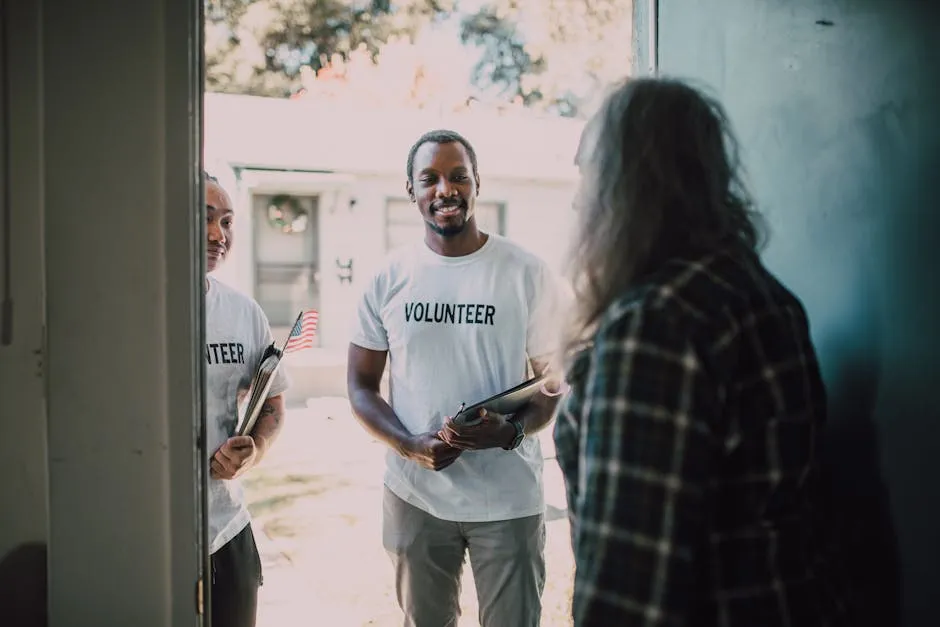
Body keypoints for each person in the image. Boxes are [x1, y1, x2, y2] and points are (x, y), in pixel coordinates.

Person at [554, 78, 846, 626]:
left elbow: (631, 589)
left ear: (625, 187)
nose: (578, 197)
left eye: (587, 173)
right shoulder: (762, 294)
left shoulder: (656, 322)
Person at [347, 129, 566, 627]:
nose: (445, 189)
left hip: (509, 499)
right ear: (411, 191)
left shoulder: (526, 272)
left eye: (458, 176)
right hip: (415, 496)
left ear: (476, 184)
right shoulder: (388, 277)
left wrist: (511, 432)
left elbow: (552, 382)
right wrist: (408, 444)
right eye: (430, 178)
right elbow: (361, 386)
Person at [204, 171, 289, 627]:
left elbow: (272, 404)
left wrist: (254, 450)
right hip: (150, 531)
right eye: (205, 217)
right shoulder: (136, 310)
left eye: (229, 222)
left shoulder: (242, 312)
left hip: (227, 528)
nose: (219, 234)